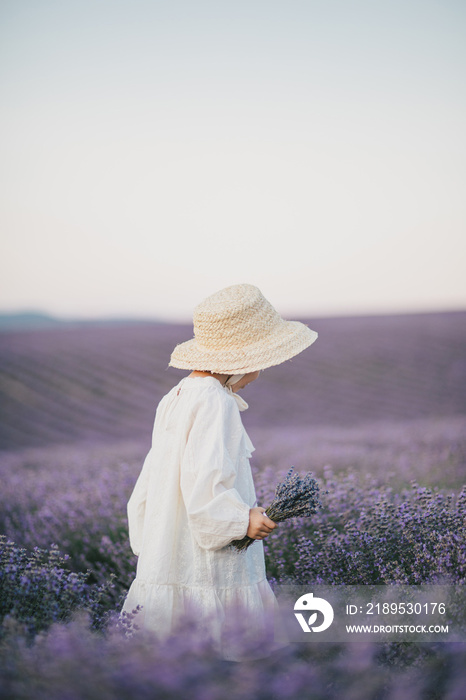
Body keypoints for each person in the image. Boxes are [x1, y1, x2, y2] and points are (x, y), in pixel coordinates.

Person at [121, 283, 318, 660]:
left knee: (169, 658)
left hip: (170, 547)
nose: (261, 371)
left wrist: (150, 538)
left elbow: (153, 477)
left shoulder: (178, 395)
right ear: (241, 361)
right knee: (219, 650)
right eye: (262, 361)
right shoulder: (216, 402)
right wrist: (242, 519)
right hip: (206, 559)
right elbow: (205, 483)